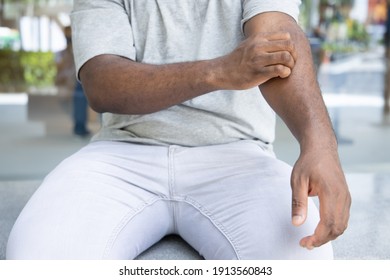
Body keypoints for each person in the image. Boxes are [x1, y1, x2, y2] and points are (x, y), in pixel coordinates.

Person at [6, 0, 351, 260]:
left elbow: (280, 42)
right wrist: (219, 71)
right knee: (40, 260)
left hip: (237, 154)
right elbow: (101, 82)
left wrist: (320, 145)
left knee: (303, 260)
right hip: (122, 154)